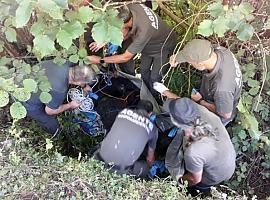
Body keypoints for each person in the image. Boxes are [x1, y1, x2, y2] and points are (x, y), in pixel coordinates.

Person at [87, 4, 176, 98]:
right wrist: (105, 40)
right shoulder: (130, 9)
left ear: (123, 24)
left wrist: (99, 60)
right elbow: (126, 33)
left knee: (155, 78)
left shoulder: (143, 32)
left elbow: (125, 57)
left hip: (164, 47)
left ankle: (153, 98)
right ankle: (145, 93)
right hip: (148, 45)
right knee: (144, 71)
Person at [170, 39, 242, 125]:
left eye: (190, 63)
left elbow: (226, 114)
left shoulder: (221, 88)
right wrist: (178, 58)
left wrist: (200, 101)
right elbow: (197, 49)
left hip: (220, 111)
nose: (189, 64)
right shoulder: (220, 50)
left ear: (200, 64)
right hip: (220, 94)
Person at [23, 60, 97, 135]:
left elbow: (79, 74)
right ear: (78, 83)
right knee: (51, 123)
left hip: (25, 80)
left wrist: (84, 86)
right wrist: (70, 105)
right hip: (25, 98)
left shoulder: (66, 62)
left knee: (52, 99)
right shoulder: (60, 89)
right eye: (83, 83)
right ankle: (54, 135)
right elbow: (49, 111)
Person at [93, 100, 158, 178]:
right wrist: (150, 165)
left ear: (137, 108)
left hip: (99, 158)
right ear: (150, 113)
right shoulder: (153, 128)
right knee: (145, 168)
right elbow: (150, 159)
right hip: (119, 169)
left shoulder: (123, 112)